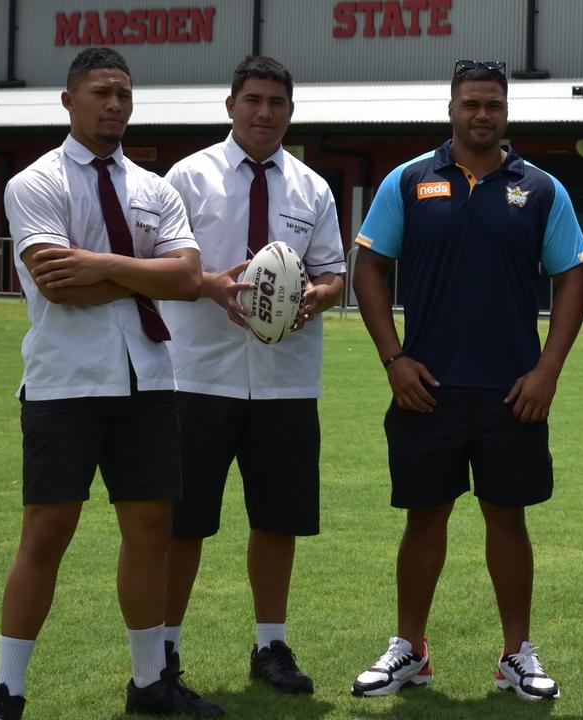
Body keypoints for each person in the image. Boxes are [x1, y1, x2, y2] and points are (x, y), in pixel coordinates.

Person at [0, 47, 221, 719]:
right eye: (101, 92)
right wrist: (143, 272)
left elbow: (189, 278)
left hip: (147, 381)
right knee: (47, 531)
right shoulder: (35, 183)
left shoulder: (154, 188)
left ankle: (149, 685)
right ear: (69, 100)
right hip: (64, 382)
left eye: (124, 93)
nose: (115, 104)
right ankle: (8, 690)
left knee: (151, 528)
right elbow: (59, 288)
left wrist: (98, 265)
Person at [349, 59, 583, 701]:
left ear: (506, 112)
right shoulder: (408, 181)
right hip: (425, 386)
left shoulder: (541, 189)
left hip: (514, 391)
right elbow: (368, 266)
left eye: (494, 105)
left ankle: (517, 655)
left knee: (507, 519)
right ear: (451, 108)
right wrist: (394, 359)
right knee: (423, 520)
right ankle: (410, 650)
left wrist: (547, 370)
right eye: (471, 103)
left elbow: (572, 279)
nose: (482, 114)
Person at [160, 56, 345, 697]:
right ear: (231, 104)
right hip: (197, 376)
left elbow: (332, 274)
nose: (264, 113)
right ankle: (164, 652)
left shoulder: (311, 189)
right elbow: (160, 266)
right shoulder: (188, 178)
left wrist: (313, 298)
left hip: (285, 381)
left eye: (276, 103)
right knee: (183, 523)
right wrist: (212, 287)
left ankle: (270, 645)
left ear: (290, 112)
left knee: (277, 519)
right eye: (254, 100)